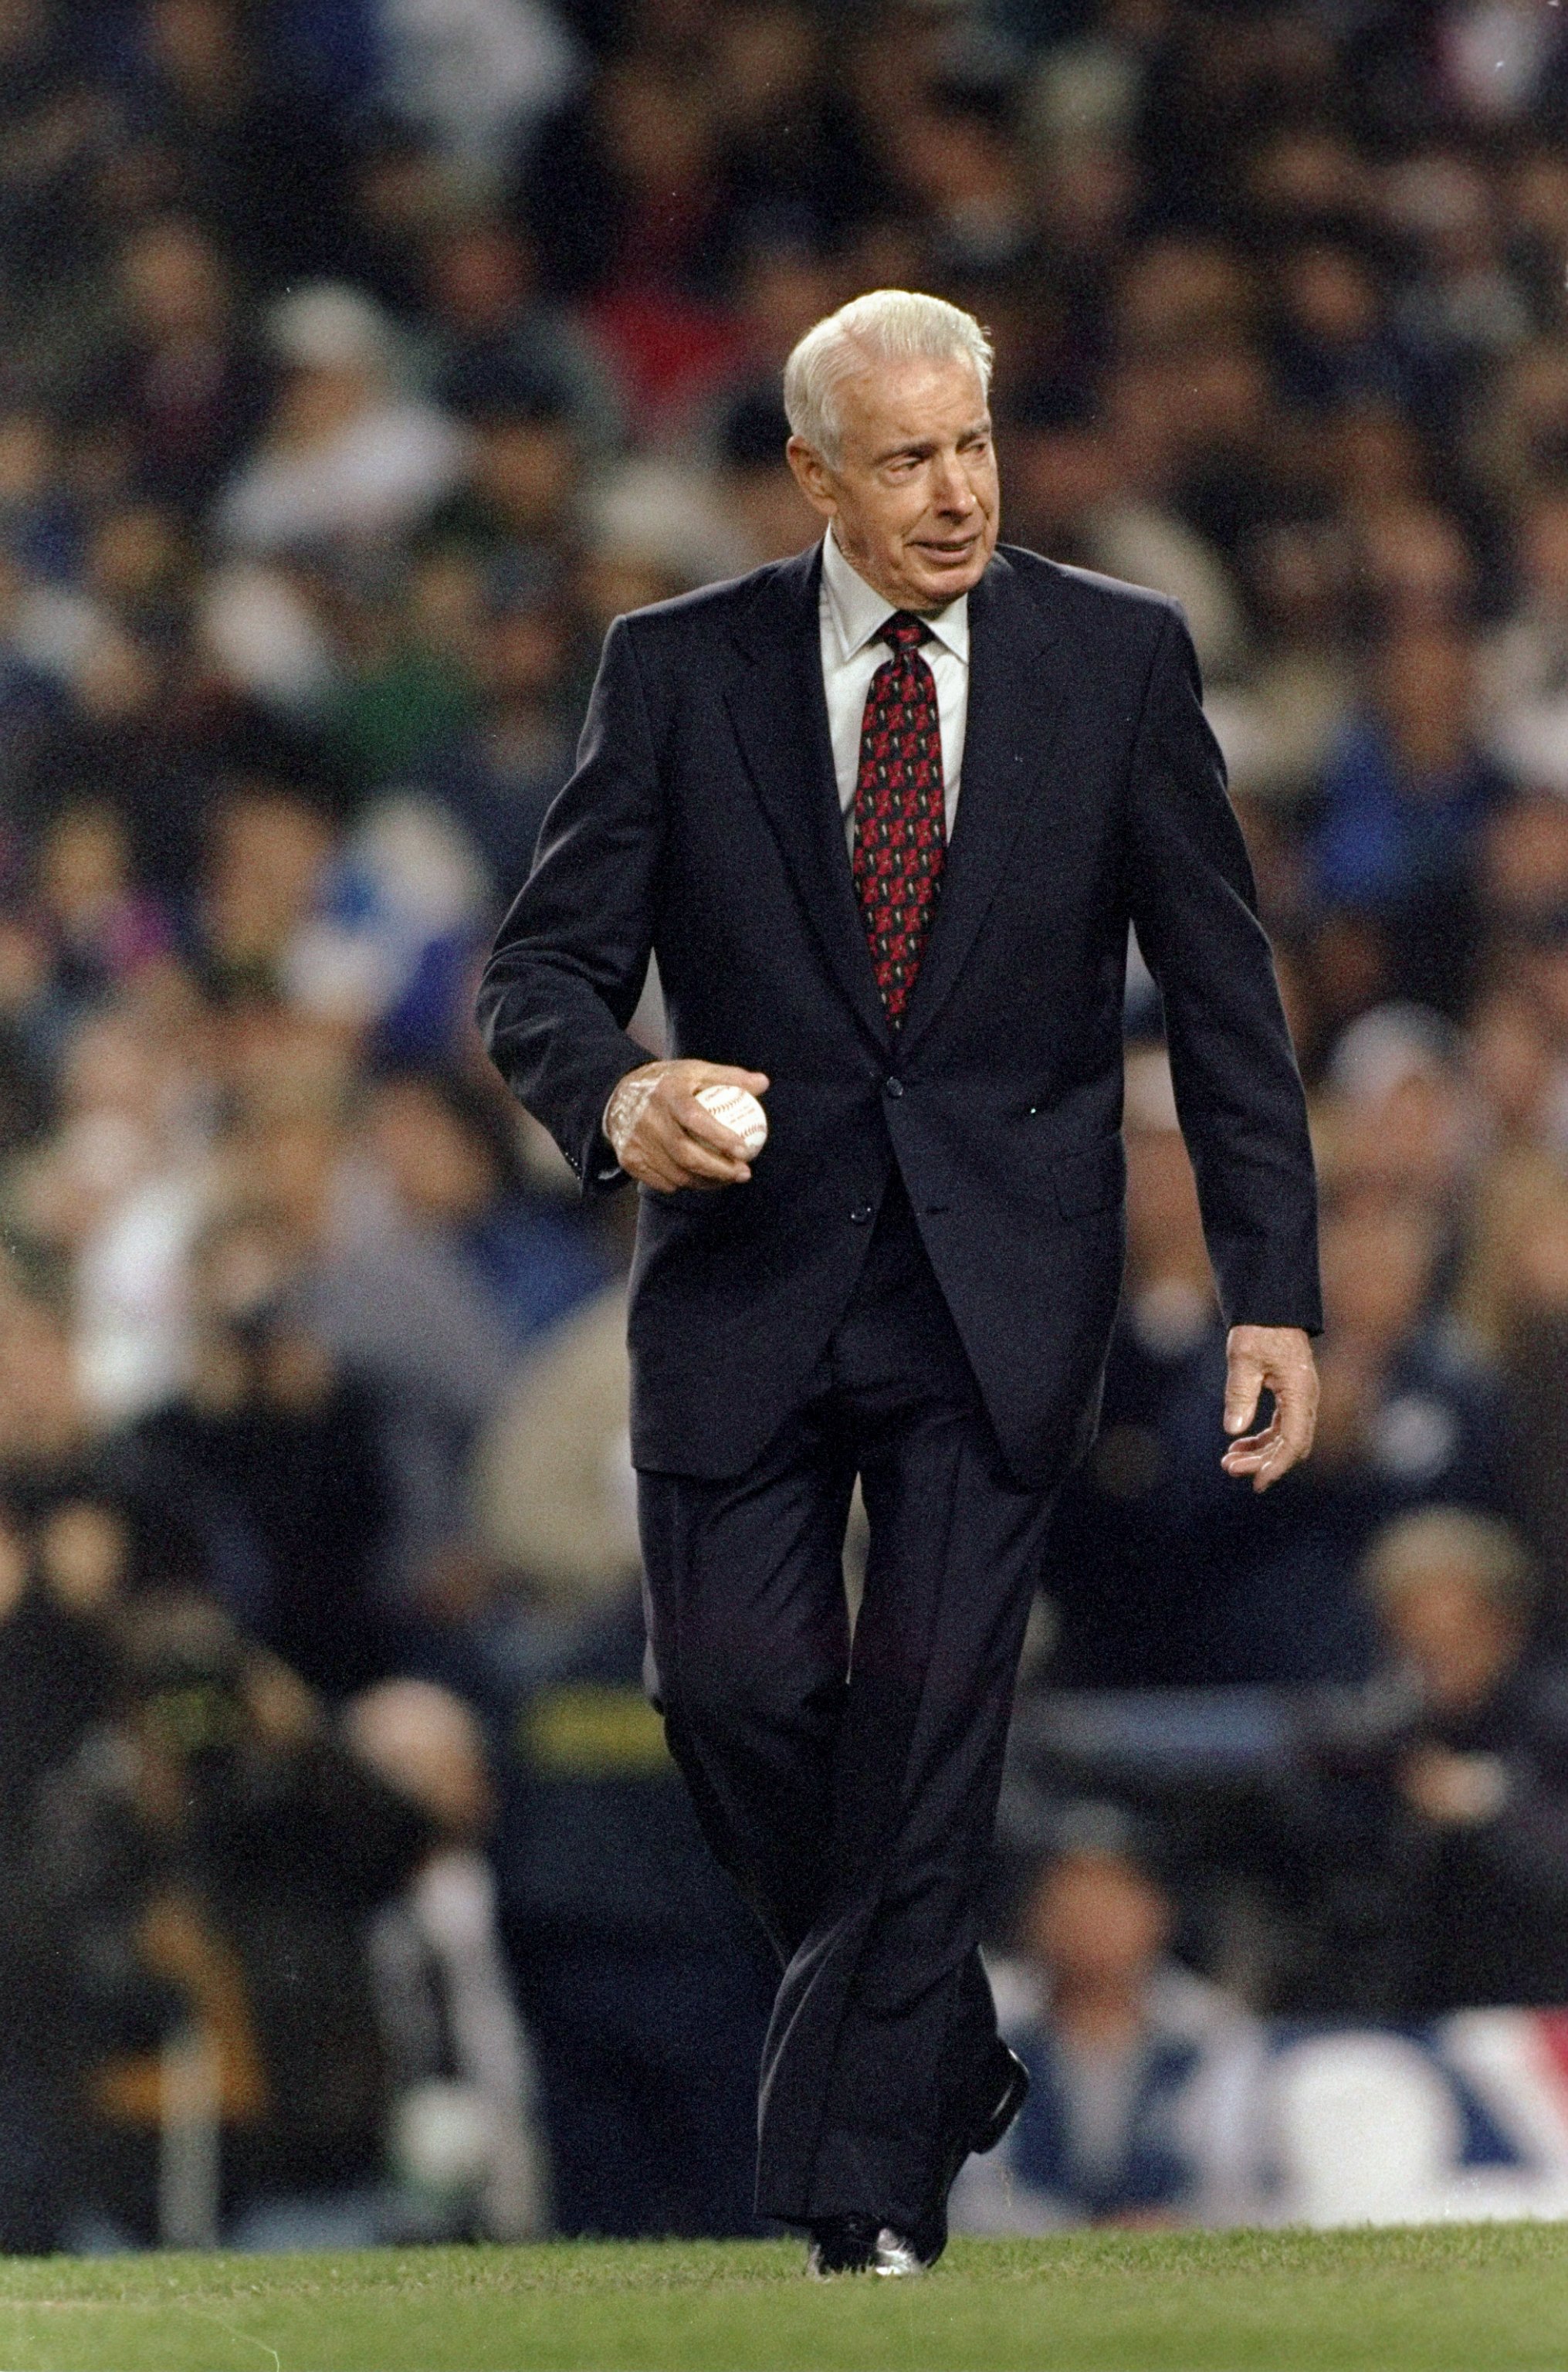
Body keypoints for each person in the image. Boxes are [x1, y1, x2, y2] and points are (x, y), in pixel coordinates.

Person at [476, 289, 1321, 2276]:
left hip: (996, 1289)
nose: (955, 495)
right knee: (736, 1696)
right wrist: (622, 1091)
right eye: (907, 460)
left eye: (976, 448)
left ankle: (866, 2203)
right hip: (746, 1285)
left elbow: (1222, 996)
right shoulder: (675, 670)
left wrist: (1275, 1286)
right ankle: (930, 2039)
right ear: (813, 475)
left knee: (930, 1730)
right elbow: (538, 974)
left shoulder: (1117, 657)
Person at [950, 1811, 1262, 2233]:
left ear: (1157, 1912)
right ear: (1034, 1916)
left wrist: (1174, 2227)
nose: (1091, 1922)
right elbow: (966, 2186)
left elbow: (1234, 2177)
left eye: (1112, 1898)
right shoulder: (984, 2021)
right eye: (1070, 1899)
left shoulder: (1212, 2032)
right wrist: (1084, 2234)